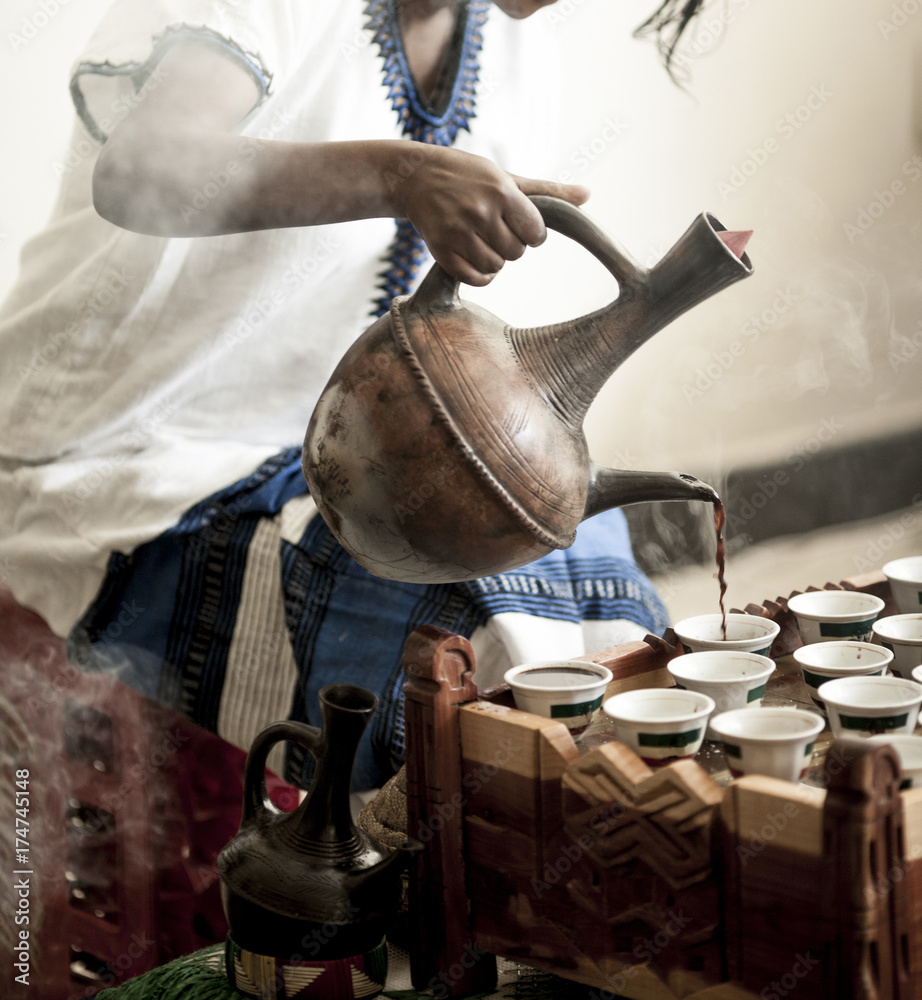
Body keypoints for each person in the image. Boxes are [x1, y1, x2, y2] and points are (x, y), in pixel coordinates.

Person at [0, 0, 704, 790]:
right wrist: (401, 176)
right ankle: (489, 874)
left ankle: (615, 843)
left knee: (593, 581)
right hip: (115, 461)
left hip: (323, 453)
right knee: (467, 641)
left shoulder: (517, 55)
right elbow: (141, 168)